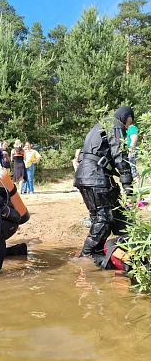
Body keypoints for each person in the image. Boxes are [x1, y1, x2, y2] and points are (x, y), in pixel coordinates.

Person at [74, 106, 134, 262]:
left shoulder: (98, 126)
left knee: (119, 215)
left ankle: (128, 250)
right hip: (96, 177)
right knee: (104, 219)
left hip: (88, 176)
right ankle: (86, 257)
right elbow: (120, 155)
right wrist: (128, 185)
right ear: (127, 118)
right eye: (129, 123)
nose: (128, 127)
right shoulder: (115, 124)